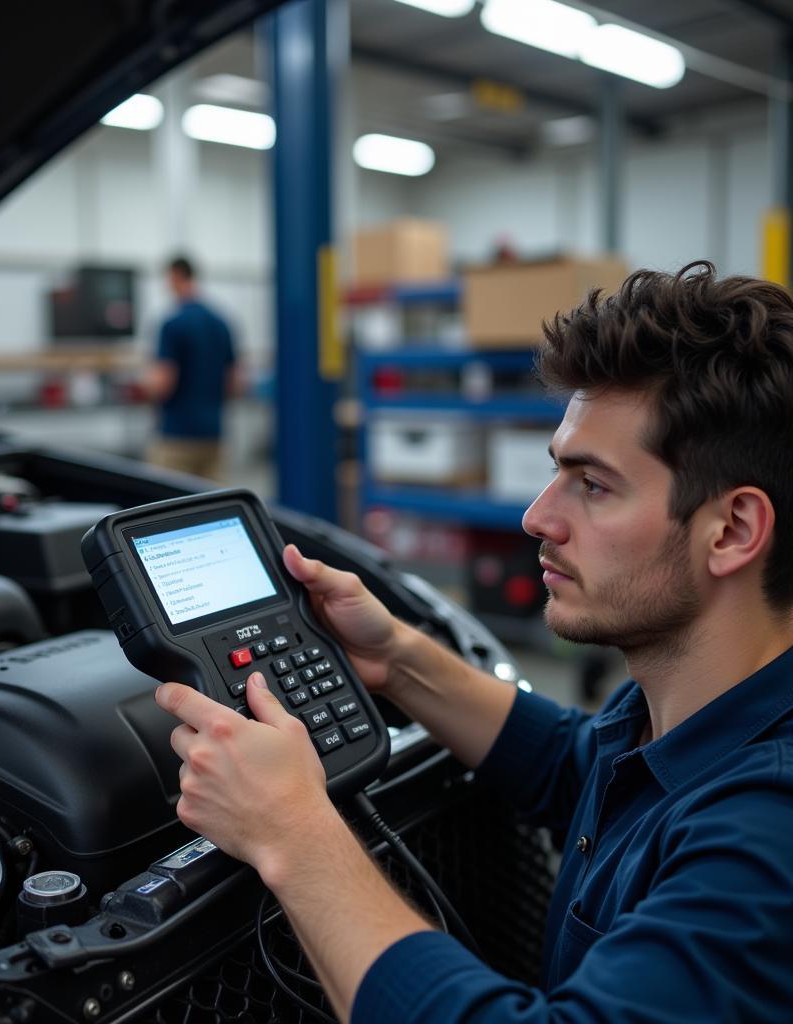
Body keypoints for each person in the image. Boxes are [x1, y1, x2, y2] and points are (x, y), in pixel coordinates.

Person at [154, 261, 793, 1023]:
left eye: (592, 485)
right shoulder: (680, 713)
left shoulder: (765, 835)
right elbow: (569, 765)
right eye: (557, 471)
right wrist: (393, 655)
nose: (537, 517)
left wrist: (292, 831)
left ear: (733, 531)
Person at [142, 255, 241, 480]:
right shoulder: (221, 323)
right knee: (212, 505)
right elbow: (235, 383)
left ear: (175, 276)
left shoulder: (172, 324)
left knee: (171, 507)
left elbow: (163, 383)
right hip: (213, 433)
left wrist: (146, 387)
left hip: (177, 436)